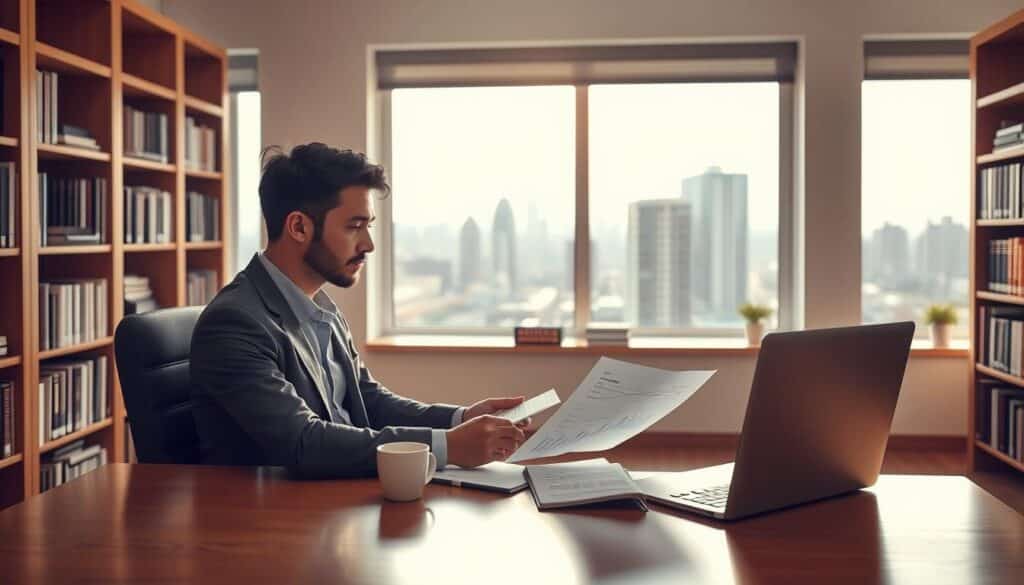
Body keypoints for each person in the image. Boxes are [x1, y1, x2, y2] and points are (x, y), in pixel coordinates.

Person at [190, 142, 527, 477]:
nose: (368, 244)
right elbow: (301, 441)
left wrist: (462, 418)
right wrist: (447, 446)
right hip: (275, 515)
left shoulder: (321, 308)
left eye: (369, 226)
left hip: (337, 496)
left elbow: (369, 400)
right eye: (354, 226)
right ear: (299, 227)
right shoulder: (235, 323)